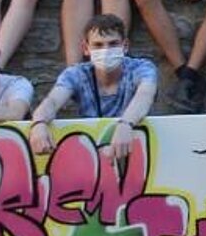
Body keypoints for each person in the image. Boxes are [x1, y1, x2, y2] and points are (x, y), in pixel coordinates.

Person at [29, 14, 158, 162]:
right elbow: (52, 101)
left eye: (113, 44)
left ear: (125, 46)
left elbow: (145, 95)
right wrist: (39, 123)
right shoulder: (76, 73)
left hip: (138, 150)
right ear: (86, 48)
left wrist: (126, 124)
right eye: (98, 45)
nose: (106, 50)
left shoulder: (142, 68)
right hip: (91, 156)